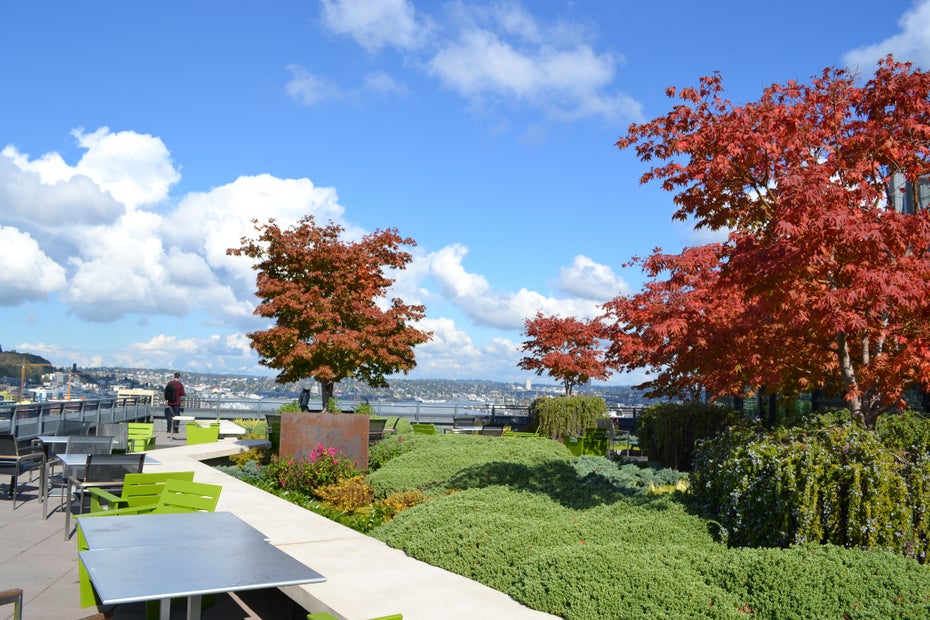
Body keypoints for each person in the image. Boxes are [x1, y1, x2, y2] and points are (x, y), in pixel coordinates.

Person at [164, 372, 186, 436]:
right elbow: (183, 394)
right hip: (177, 402)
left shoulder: (170, 383)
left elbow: (166, 391)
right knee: (177, 416)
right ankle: (176, 429)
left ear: (174, 376)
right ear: (179, 377)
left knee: (169, 416)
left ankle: (168, 429)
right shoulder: (180, 385)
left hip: (170, 402)